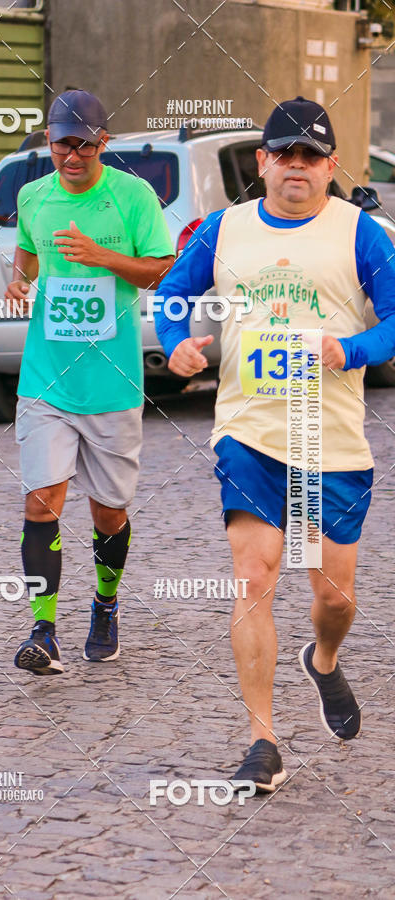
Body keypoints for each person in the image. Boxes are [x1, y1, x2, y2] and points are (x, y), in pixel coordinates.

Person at [154, 97, 395, 791]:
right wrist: (177, 346)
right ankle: (263, 740)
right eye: (284, 153)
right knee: (254, 577)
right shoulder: (222, 229)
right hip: (249, 431)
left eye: (311, 156)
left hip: (329, 439)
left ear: (331, 165)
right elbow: (172, 295)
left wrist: (349, 349)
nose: (297, 165)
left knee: (335, 596)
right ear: (261, 161)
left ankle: (322, 659)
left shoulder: (361, 233)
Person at [5, 89, 174, 675]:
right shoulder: (33, 196)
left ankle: (105, 605)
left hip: (112, 383)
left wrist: (103, 257)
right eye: (62, 144)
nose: (72, 155)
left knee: (108, 513)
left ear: (104, 143)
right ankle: (43, 630)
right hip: (46, 379)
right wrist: (19, 280)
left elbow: (161, 269)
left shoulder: (133, 196)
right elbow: (27, 251)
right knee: (41, 499)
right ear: (48, 141)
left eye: (85, 145)